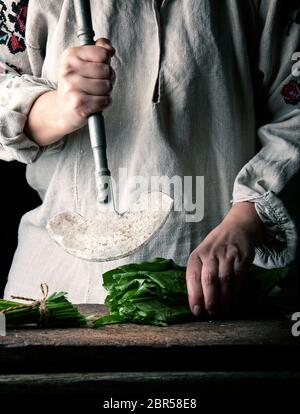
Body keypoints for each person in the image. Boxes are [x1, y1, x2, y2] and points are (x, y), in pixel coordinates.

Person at [0, 0, 299, 316]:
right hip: (55, 294)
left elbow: (293, 112)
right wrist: (57, 108)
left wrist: (248, 218)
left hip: (218, 293)